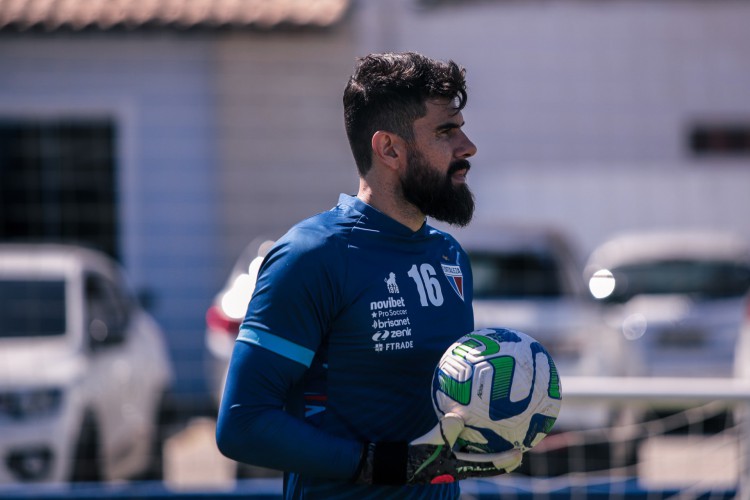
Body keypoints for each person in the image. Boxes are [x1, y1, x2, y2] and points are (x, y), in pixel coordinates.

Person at [216, 51, 522, 499]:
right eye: (445, 131)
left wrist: (486, 429)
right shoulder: (313, 255)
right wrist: (380, 465)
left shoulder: (449, 257)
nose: (467, 146)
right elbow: (242, 424)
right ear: (390, 149)